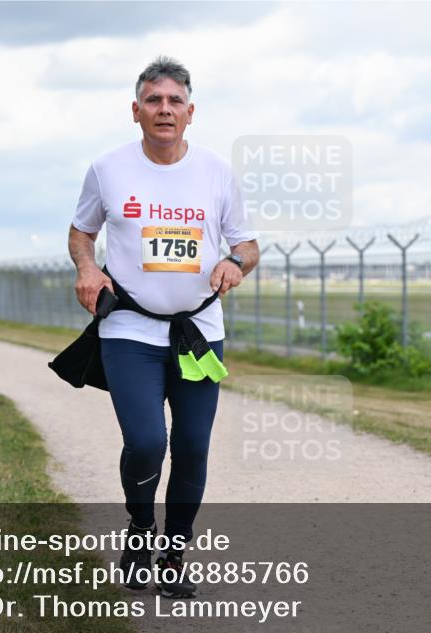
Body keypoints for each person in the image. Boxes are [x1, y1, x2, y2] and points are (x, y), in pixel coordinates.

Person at [68, 56, 259, 599]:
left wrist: (234, 265)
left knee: (193, 445)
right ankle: (139, 529)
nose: (165, 110)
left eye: (175, 101)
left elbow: (247, 245)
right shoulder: (108, 168)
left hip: (197, 332)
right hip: (128, 330)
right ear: (136, 110)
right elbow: (81, 232)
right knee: (148, 442)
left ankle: (174, 551)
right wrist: (87, 268)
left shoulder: (217, 173)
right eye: (154, 100)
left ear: (191, 112)